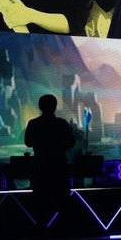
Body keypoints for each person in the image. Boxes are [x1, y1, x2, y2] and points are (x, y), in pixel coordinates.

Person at [24, 94, 76, 229]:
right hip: (59, 167)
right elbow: (71, 142)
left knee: (41, 204)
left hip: (41, 168)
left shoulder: (33, 124)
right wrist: (59, 149)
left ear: (40, 106)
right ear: (55, 106)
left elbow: (28, 142)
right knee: (63, 203)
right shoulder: (61, 123)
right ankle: (64, 232)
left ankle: (42, 233)